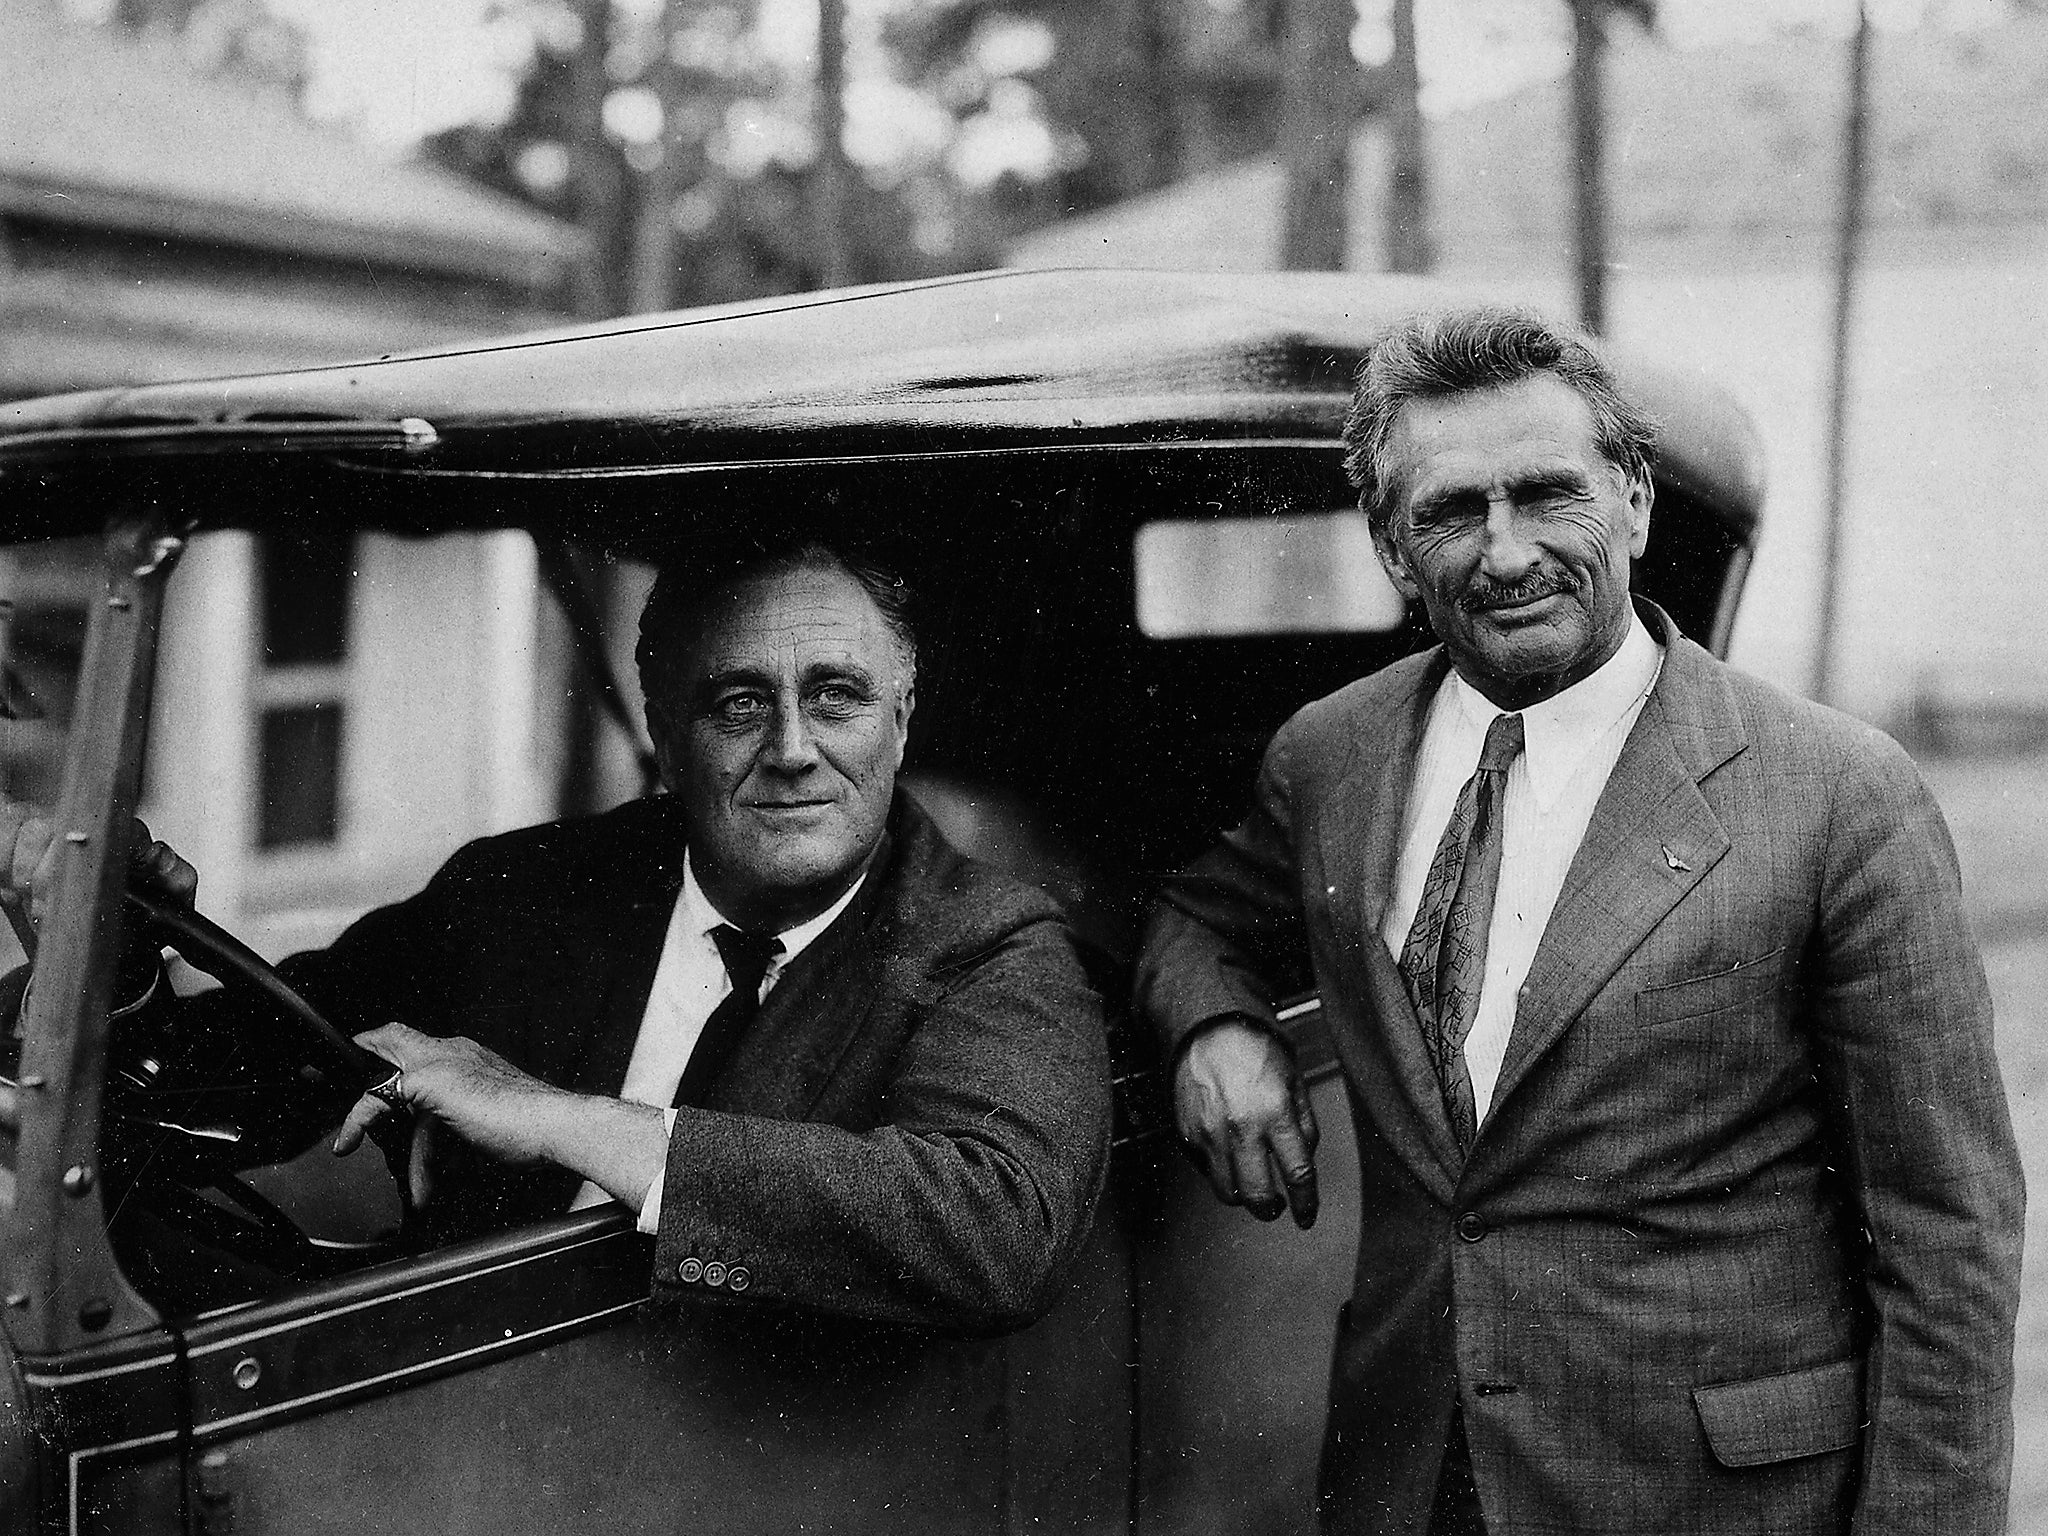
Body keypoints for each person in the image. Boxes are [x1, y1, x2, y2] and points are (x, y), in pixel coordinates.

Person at [1135, 307, 2023, 1533]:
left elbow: (1946, 1239)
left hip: (1710, 1501)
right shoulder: (1328, 758)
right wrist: (1211, 1029)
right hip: (1408, 1475)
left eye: (1546, 495)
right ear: (1394, 553)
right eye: (1449, 513)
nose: (1505, 554)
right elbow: (1193, 915)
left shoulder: (1835, 795)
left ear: (1635, 506)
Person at [9, 538, 1112, 1335]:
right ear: (665, 737)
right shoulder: (525, 893)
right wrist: (103, 973)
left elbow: (996, 1225)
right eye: (736, 703)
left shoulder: (989, 945)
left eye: (835, 698)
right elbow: (228, 1089)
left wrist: (552, 1118)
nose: (789, 748)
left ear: (901, 719)